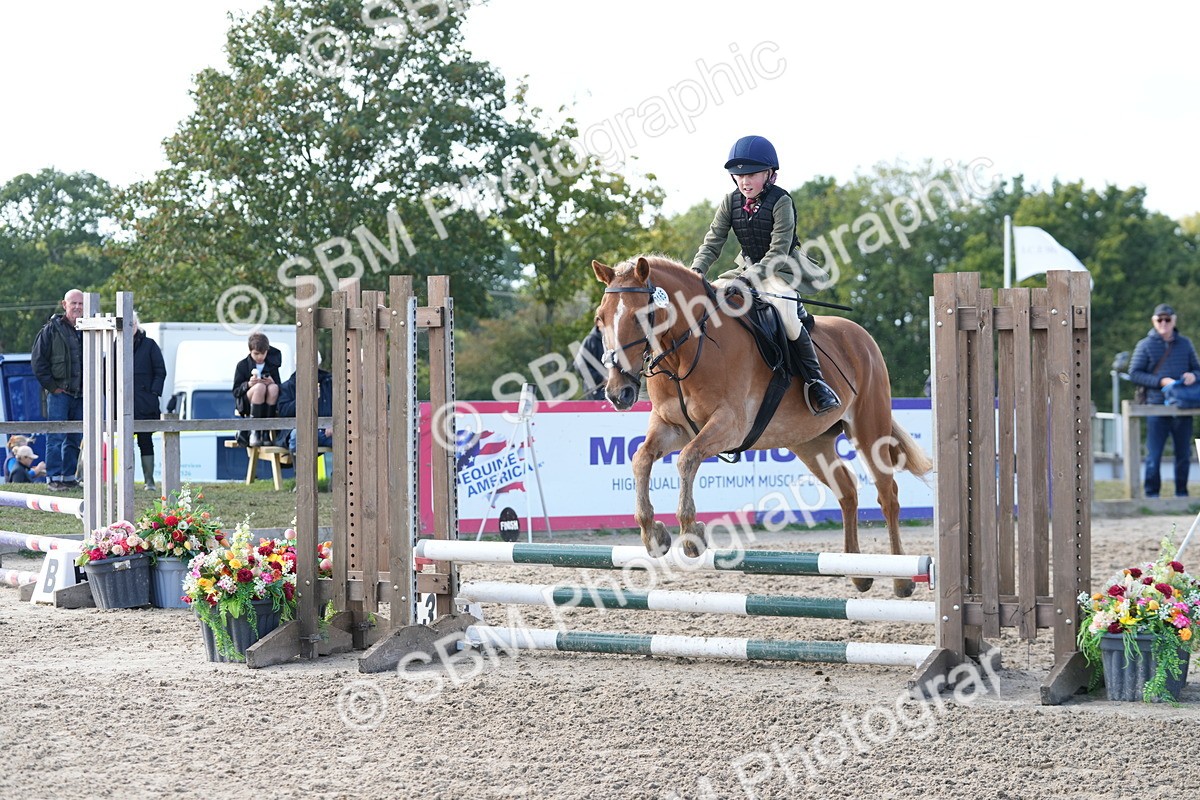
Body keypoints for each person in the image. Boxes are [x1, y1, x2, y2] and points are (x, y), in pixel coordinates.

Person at [689, 135, 840, 416]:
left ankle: (816, 382)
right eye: (739, 176)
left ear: (770, 174)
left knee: (787, 317)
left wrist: (749, 278)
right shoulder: (730, 201)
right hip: (747, 266)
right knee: (713, 297)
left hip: (781, 268)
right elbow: (712, 242)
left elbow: (779, 251)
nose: (744, 182)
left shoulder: (781, 201)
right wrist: (696, 271)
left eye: (752, 175)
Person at [1129, 303, 1200, 498]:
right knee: (1154, 455)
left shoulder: (1185, 344)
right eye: (1159, 319)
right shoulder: (1145, 345)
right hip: (1156, 406)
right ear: (1154, 321)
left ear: (1173, 321)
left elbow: (1198, 369)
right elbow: (1134, 373)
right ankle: (1151, 496)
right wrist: (1160, 381)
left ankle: (1182, 494)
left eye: (1167, 319)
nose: (1163, 323)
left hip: (1182, 406)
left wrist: (1193, 376)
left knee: (1183, 455)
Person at [32, 288, 85, 489]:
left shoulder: (88, 330)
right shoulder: (50, 330)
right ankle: (53, 478)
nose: (78, 307)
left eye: (81, 304)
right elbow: (38, 363)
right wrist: (53, 388)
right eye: (74, 303)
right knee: (55, 437)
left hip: (81, 395)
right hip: (59, 394)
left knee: (75, 437)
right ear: (64, 305)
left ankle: (69, 476)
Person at [130, 311, 167, 492]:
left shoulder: (150, 345)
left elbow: (160, 371)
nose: (131, 328)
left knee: (146, 441)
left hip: (146, 402)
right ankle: (126, 480)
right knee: (125, 444)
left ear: (137, 324)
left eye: (133, 323)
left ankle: (149, 481)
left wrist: (154, 393)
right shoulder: (114, 346)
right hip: (123, 404)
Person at [232, 332, 283, 446]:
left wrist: (272, 382)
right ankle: (254, 431)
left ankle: (265, 432)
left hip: (268, 400)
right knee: (259, 387)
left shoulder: (272, 364)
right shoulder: (242, 365)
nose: (260, 357)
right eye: (256, 354)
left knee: (273, 388)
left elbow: (279, 387)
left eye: (263, 353)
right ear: (250, 351)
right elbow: (236, 391)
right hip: (248, 402)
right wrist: (248, 384)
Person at [277, 359, 333, 454]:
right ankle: (300, 468)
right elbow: (284, 412)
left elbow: (341, 409)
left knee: (348, 438)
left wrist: (333, 424)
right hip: (299, 430)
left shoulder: (329, 383)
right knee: (298, 435)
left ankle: (343, 469)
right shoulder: (288, 386)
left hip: (325, 431)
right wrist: (306, 400)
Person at [573, 326, 607, 400]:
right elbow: (579, 365)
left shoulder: (615, 341)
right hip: (595, 393)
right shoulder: (590, 340)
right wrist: (600, 378)